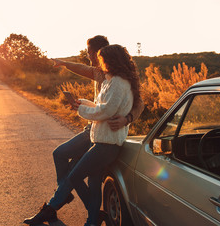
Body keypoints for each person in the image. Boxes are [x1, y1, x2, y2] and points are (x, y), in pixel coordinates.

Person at [23, 37, 144, 225]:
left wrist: (126, 119)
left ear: (101, 53)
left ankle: (57, 203)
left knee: (70, 166)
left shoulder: (117, 79)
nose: (88, 56)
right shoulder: (102, 75)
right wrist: (64, 64)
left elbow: (132, 105)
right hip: (96, 130)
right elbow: (96, 95)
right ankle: (91, 216)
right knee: (90, 178)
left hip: (102, 135)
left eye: (90, 52)